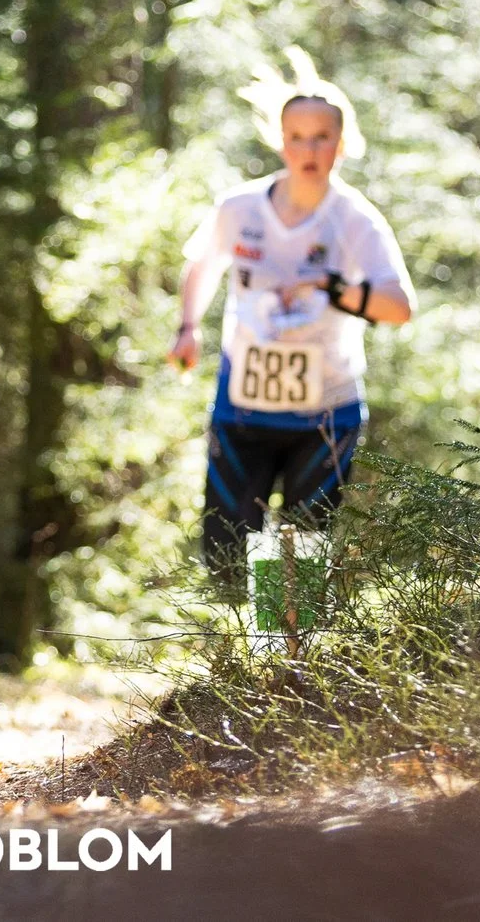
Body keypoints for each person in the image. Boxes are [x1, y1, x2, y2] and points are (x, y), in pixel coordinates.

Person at [168, 52, 415, 576]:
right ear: (280, 142)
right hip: (242, 410)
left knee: (301, 553)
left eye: (322, 136)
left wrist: (332, 288)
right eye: (297, 136)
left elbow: (399, 307)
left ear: (341, 145)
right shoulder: (239, 208)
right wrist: (187, 329)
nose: (309, 148)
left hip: (326, 415)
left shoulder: (355, 220)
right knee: (227, 552)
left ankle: (287, 658)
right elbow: (203, 264)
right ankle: (237, 655)